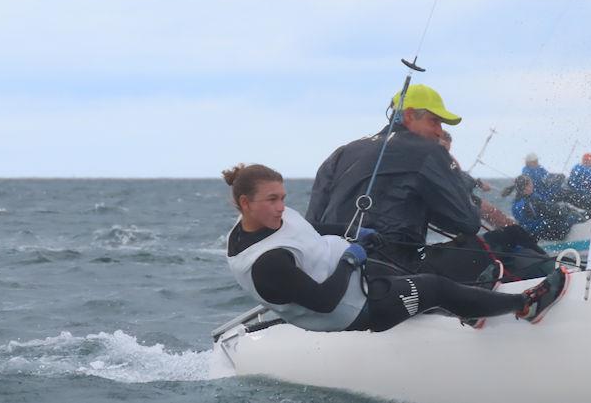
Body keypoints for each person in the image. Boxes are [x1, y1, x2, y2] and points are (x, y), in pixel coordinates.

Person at [224, 163, 570, 332]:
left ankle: (467, 306)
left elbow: (309, 229)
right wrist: (349, 257)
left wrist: (356, 232)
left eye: (283, 197)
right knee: (434, 287)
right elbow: (324, 301)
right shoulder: (266, 263)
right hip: (352, 310)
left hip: (355, 275)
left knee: (415, 272)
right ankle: (525, 305)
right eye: (272, 199)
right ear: (245, 203)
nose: (282, 206)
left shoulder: (269, 219)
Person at [306, 84, 481, 273]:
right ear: (409, 115)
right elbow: (467, 222)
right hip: (388, 275)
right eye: (434, 121)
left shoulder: (342, 152)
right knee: (487, 248)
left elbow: (311, 225)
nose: (439, 131)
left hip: (327, 270)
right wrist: (464, 182)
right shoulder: (429, 152)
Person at [440, 130, 514, 229]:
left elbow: (460, 175)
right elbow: (457, 179)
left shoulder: (447, 157)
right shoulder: (441, 158)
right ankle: (512, 233)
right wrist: (478, 184)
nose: (447, 150)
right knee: (493, 213)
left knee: (496, 214)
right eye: (445, 146)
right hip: (457, 200)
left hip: (462, 196)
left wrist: (478, 183)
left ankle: (510, 233)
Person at [504, 175, 585, 241]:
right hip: (543, 232)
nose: (533, 185)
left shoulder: (516, 202)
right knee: (572, 216)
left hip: (531, 232)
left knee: (564, 212)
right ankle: (583, 235)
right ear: (526, 187)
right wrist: (565, 209)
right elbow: (550, 212)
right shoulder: (531, 200)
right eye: (531, 183)